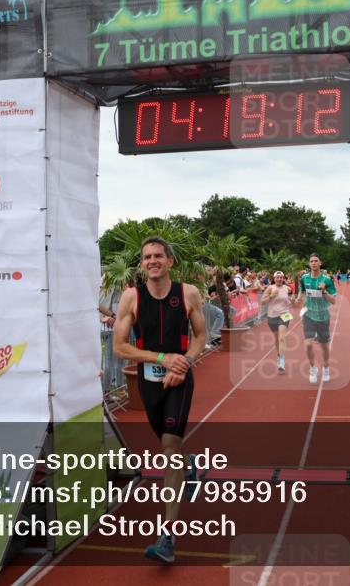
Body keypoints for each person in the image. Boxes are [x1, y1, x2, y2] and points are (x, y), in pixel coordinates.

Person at [112, 236, 207, 564]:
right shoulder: (131, 297)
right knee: (171, 447)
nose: (152, 261)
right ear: (142, 264)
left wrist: (185, 363)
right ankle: (190, 464)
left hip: (180, 381)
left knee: (168, 449)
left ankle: (168, 536)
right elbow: (120, 347)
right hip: (149, 382)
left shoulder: (188, 293)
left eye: (158, 256)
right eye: (147, 257)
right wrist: (163, 359)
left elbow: (201, 336)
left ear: (169, 261)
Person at [294, 253, 338, 384]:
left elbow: (333, 301)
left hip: (323, 316)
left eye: (316, 261)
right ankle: (313, 368)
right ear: (309, 264)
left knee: (324, 345)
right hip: (309, 315)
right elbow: (302, 291)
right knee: (308, 344)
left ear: (320, 263)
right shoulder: (304, 278)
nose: (313, 263)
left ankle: (326, 368)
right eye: (311, 261)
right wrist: (298, 298)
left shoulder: (327, 280)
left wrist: (324, 292)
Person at [261, 271, 293, 372]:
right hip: (272, 316)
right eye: (277, 277)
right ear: (274, 279)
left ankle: (282, 360)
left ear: (283, 279)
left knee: (282, 338)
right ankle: (279, 355)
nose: (279, 279)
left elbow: (288, 300)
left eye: (281, 277)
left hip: (284, 314)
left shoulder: (287, 288)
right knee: (277, 338)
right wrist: (271, 296)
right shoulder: (270, 288)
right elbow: (262, 301)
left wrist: (290, 301)